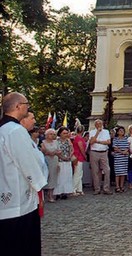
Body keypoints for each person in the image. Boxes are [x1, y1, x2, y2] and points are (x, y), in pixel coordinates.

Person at [0, 93, 48, 256]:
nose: (28, 107)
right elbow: (29, 164)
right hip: (19, 202)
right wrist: (39, 187)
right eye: (27, 103)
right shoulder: (15, 131)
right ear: (18, 106)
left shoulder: (3, 129)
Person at [89, 119, 112, 195]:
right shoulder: (92, 132)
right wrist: (97, 133)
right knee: (95, 171)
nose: (99, 125)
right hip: (94, 152)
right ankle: (97, 188)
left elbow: (108, 142)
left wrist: (98, 141)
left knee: (107, 170)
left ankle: (106, 188)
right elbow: (91, 142)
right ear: (95, 125)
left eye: (100, 124)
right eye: (98, 124)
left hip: (104, 152)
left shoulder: (106, 132)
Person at [54, 126, 74, 199]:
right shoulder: (56, 141)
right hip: (60, 160)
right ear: (60, 133)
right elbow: (56, 151)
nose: (65, 135)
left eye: (66, 133)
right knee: (59, 177)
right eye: (64, 133)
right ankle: (58, 192)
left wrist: (70, 156)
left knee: (66, 177)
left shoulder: (68, 140)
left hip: (67, 160)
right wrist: (62, 157)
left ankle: (65, 192)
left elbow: (72, 149)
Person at [41, 128, 60, 202]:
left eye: (54, 134)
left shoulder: (56, 142)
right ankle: (45, 194)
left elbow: (59, 151)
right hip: (46, 161)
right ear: (46, 135)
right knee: (47, 176)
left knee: (53, 177)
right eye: (50, 134)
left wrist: (55, 153)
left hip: (54, 160)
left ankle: (51, 194)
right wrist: (51, 152)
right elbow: (43, 151)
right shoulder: (43, 142)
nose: (52, 135)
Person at [112, 126, 130, 192]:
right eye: (120, 131)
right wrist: (122, 152)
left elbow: (128, 146)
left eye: (123, 131)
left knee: (123, 173)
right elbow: (115, 148)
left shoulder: (126, 139)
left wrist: (126, 151)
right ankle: (117, 186)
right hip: (118, 157)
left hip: (124, 158)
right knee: (118, 173)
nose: (122, 132)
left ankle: (122, 186)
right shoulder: (115, 139)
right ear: (118, 132)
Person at [72, 124, 87, 195]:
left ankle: (79, 189)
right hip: (78, 156)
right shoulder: (79, 138)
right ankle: (73, 189)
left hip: (79, 156)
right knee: (77, 173)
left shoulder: (78, 138)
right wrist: (85, 155)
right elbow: (81, 148)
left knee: (79, 173)